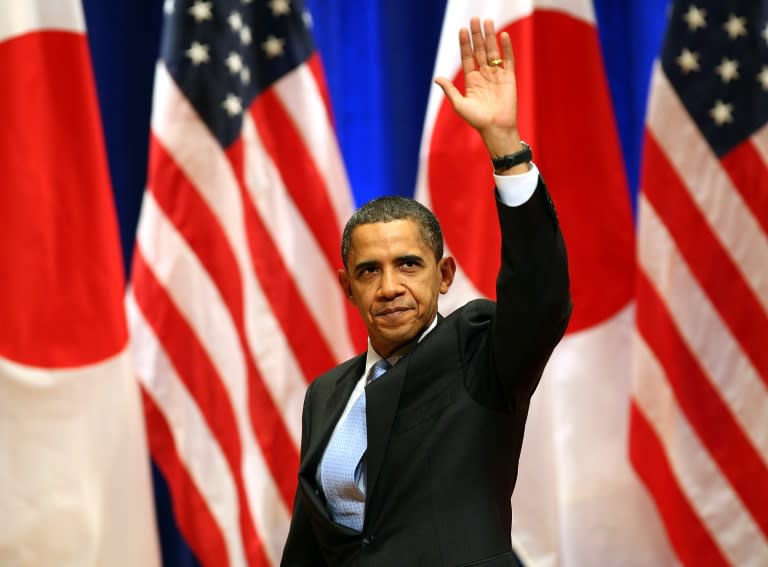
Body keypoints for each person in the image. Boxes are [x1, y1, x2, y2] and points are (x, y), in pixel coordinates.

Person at [281, 17, 571, 566]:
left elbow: (541, 295)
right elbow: (311, 542)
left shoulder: (480, 352)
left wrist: (505, 149)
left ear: (444, 276)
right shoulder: (327, 394)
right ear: (347, 287)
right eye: (369, 271)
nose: (389, 287)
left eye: (408, 265)